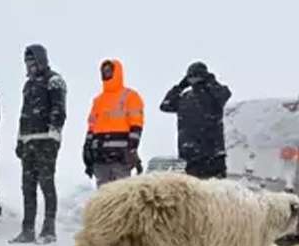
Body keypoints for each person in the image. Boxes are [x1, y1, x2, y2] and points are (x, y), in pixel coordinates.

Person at [11, 44, 66, 244]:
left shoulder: (54, 81)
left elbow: (59, 110)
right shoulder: (28, 85)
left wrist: (53, 135)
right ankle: (27, 230)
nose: (30, 66)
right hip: (28, 142)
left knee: (46, 183)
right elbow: (23, 114)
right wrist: (19, 139)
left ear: (41, 60)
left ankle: (49, 229)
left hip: (46, 140)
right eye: (27, 62)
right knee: (27, 186)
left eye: (33, 62)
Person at [159, 61, 232, 179]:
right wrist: (180, 86)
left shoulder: (213, 95)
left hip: (210, 155)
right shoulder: (185, 97)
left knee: (210, 193)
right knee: (202, 194)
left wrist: (209, 81)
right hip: (193, 156)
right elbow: (165, 105)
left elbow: (224, 95)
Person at [83, 58, 144, 187]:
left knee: (121, 198)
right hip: (100, 159)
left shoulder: (130, 96)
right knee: (104, 200)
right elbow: (91, 127)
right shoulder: (98, 101)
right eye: (104, 71)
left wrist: (132, 149)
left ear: (117, 72)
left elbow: (136, 125)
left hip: (120, 158)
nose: (106, 74)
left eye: (109, 71)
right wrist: (87, 149)